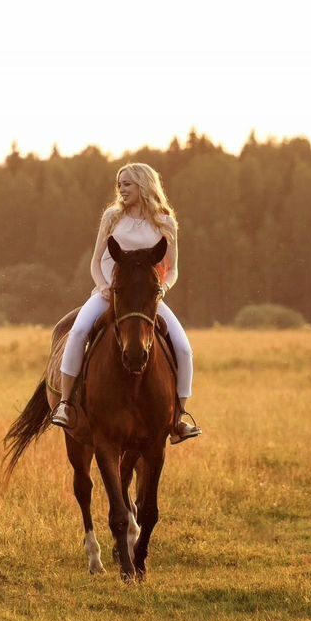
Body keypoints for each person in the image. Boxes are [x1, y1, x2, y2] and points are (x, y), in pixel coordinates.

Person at [49, 163, 201, 444]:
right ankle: (66, 404)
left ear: (143, 184)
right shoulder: (112, 217)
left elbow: (174, 268)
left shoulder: (165, 222)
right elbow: (96, 262)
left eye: (127, 183)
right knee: (80, 331)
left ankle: (179, 416)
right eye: (120, 183)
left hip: (146, 298)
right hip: (109, 292)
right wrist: (104, 287)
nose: (121, 188)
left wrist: (163, 288)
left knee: (183, 347)